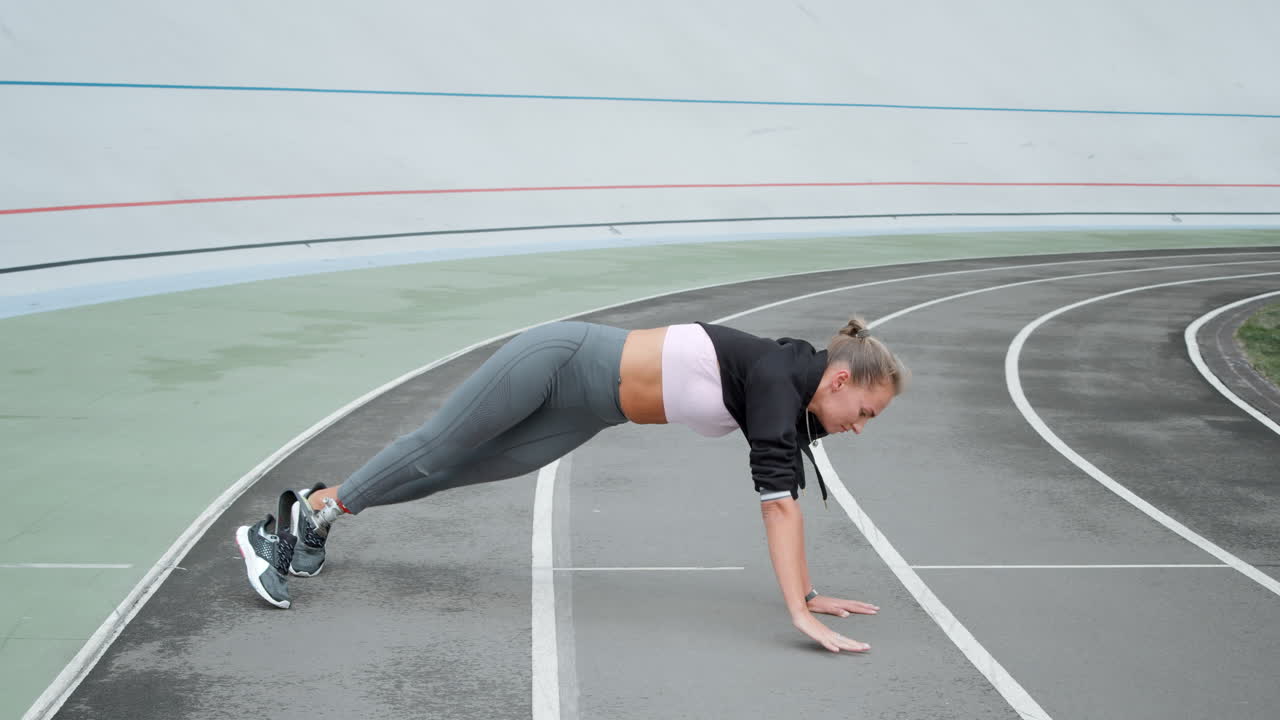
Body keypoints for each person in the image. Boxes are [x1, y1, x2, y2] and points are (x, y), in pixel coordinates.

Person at [236, 315, 908, 653]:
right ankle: (302, 519)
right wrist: (796, 610)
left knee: (452, 473)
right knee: (433, 450)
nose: (859, 428)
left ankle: (310, 517)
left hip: (588, 411)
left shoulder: (793, 390)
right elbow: (781, 508)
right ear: (841, 380)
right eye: (865, 413)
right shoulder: (774, 381)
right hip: (558, 361)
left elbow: (788, 482)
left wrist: (809, 592)